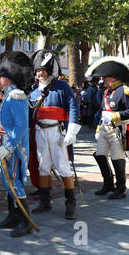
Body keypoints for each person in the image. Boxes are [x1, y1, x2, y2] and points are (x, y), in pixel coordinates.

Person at [0, 51, 35, 237]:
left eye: (0, 78)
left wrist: (8, 146)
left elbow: (21, 126)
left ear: (7, 79)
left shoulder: (16, 96)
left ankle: (25, 221)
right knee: (9, 182)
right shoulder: (8, 95)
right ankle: (13, 216)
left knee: (15, 183)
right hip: (4, 146)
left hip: (12, 148)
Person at [29, 49, 81, 220]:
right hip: (40, 132)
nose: (40, 73)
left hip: (57, 132)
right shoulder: (33, 91)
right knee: (43, 166)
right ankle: (45, 201)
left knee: (63, 167)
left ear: (50, 70)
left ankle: (70, 204)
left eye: (42, 70)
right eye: (37, 70)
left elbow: (73, 105)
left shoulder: (62, 86)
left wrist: (72, 129)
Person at [85, 56, 129, 199]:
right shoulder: (107, 92)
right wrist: (98, 128)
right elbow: (103, 111)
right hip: (105, 128)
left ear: (113, 77)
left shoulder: (126, 91)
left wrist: (115, 116)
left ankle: (121, 188)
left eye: (106, 77)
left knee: (117, 157)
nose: (103, 79)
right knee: (100, 155)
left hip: (118, 129)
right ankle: (108, 184)